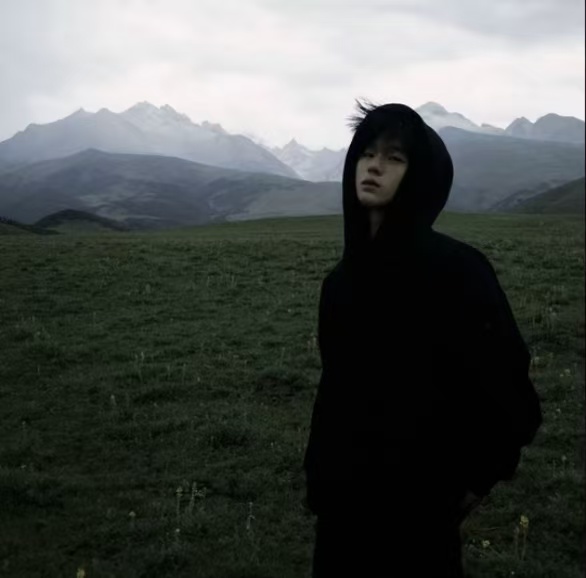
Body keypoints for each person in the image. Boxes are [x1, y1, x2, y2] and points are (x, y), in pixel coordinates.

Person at [302, 101, 543, 577]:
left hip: (420, 514)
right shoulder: (340, 283)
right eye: (367, 152)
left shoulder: (457, 271)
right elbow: (335, 391)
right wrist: (320, 474)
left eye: (394, 157)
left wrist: (476, 480)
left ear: (421, 176)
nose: (374, 166)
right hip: (341, 513)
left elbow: (508, 385)